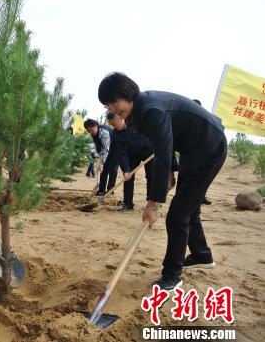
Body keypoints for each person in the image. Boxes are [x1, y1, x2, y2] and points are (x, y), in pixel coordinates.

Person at [98, 72, 227, 290]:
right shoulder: (136, 112)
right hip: (191, 150)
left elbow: (165, 154)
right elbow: (162, 145)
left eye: (114, 102)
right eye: (108, 106)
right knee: (188, 207)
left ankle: (172, 276)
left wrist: (152, 204)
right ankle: (202, 255)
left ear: (127, 93)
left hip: (209, 147)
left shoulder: (151, 110)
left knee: (178, 214)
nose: (112, 109)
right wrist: (169, 174)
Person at [107, 112, 154, 211]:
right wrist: (126, 170)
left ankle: (151, 201)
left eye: (114, 124)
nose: (113, 127)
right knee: (128, 177)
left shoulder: (135, 123)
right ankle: (128, 203)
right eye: (111, 125)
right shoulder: (115, 135)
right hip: (132, 155)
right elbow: (121, 153)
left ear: (121, 119)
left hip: (148, 151)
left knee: (151, 175)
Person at [84, 118, 118, 195]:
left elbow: (106, 149)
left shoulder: (104, 132)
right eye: (88, 131)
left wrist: (101, 163)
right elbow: (95, 148)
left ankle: (110, 191)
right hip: (105, 151)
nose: (90, 132)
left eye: (91, 130)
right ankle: (101, 190)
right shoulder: (92, 134)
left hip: (116, 150)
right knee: (103, 171)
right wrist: (93, 157)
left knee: (112, 170)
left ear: (96, 126)